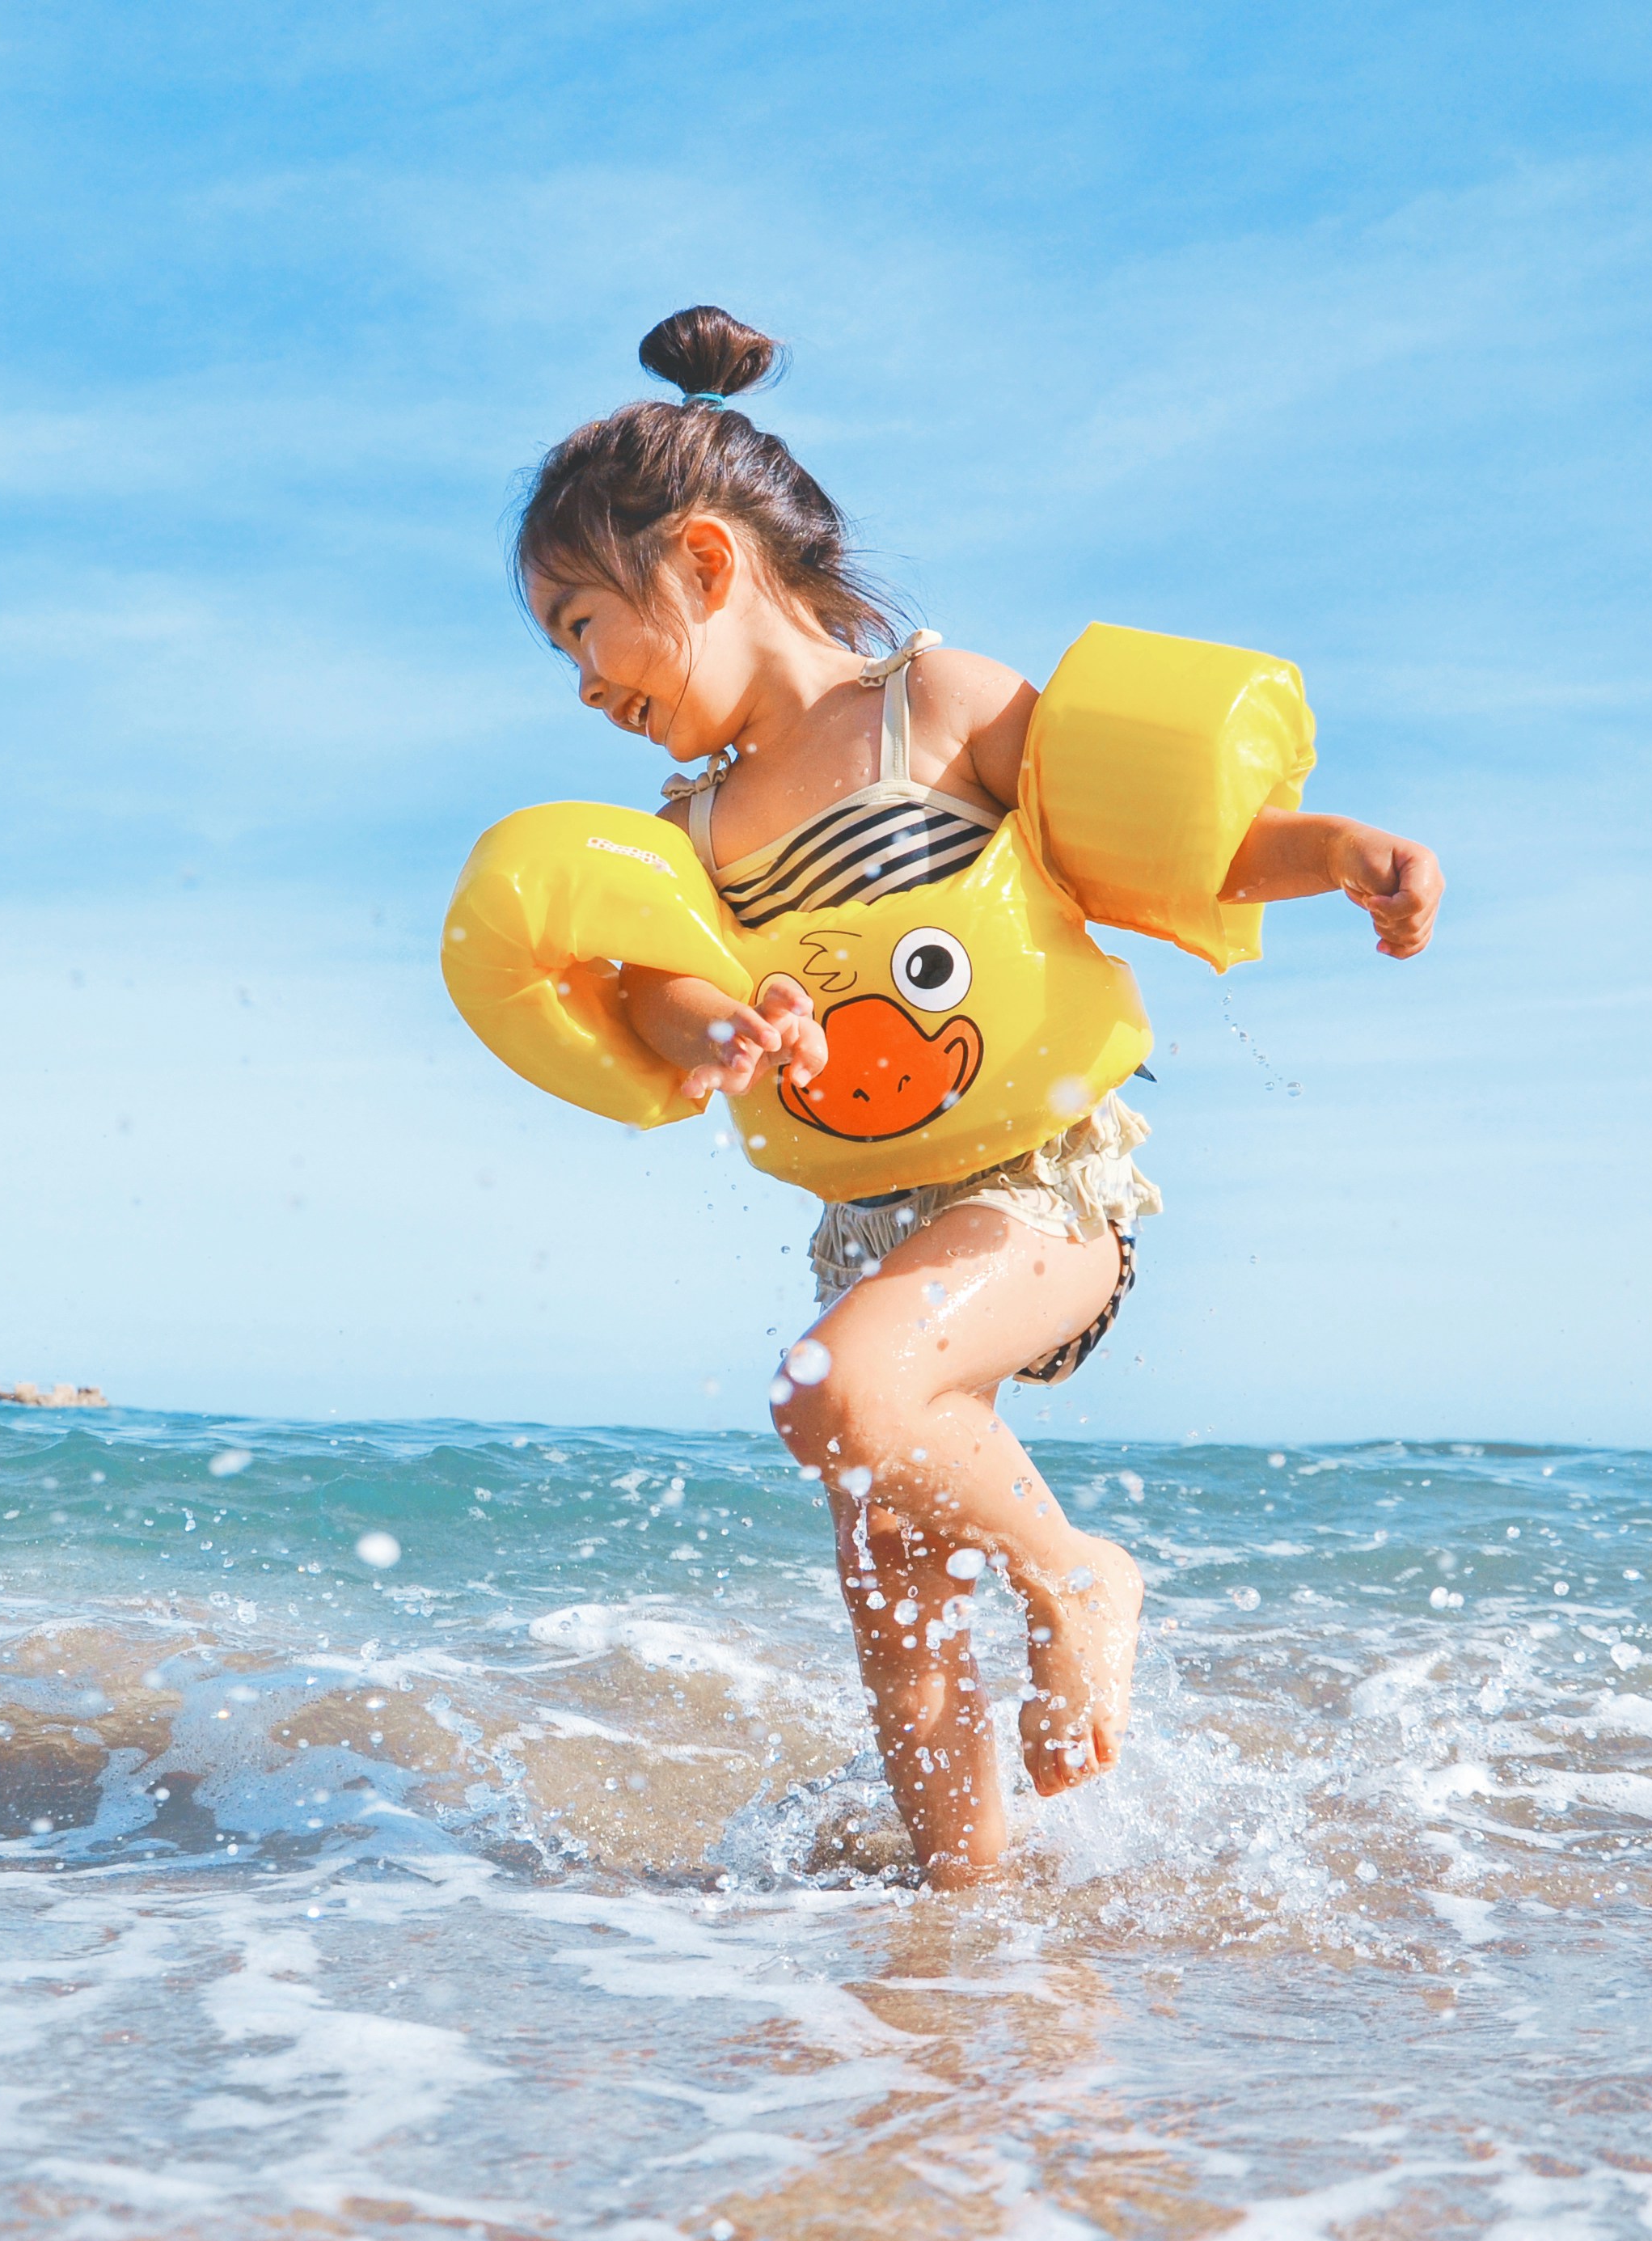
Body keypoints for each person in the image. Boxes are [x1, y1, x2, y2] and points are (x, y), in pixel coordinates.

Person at [510, 307, 1445, 1888]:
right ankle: (962, 1941)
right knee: (890, 1592)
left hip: (1040, 1187)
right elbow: (658, 988)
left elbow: (1162, 842)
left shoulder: (929, 707)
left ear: (701, 563)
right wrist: (722, 1022)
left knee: (833, 1396)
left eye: (579, 625)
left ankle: (1079, 1580)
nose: (579, 680)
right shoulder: (692, 818)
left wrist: (1340, 848)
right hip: (863, 1226)